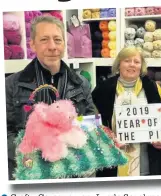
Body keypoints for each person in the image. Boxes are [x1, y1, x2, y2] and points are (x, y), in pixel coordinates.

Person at [5, 15, 95, 180]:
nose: (52, 46)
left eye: (57, 40)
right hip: (31, 173)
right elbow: (6, 132)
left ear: (64, 44)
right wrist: (35, 153)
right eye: (44, 39)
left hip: (72, 174)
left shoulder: (81, 83)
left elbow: (90, 124)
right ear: (32, 44)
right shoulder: (11, 84)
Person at [91, 46, 161, 177]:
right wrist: (104, 136)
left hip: (147, 161)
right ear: (119, 64)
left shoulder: (153, 87)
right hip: (113, 159)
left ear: (141, 66)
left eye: (136, 62)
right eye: (127, 60)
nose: (132, 65)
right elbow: (93, 119)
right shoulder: (103, 89)